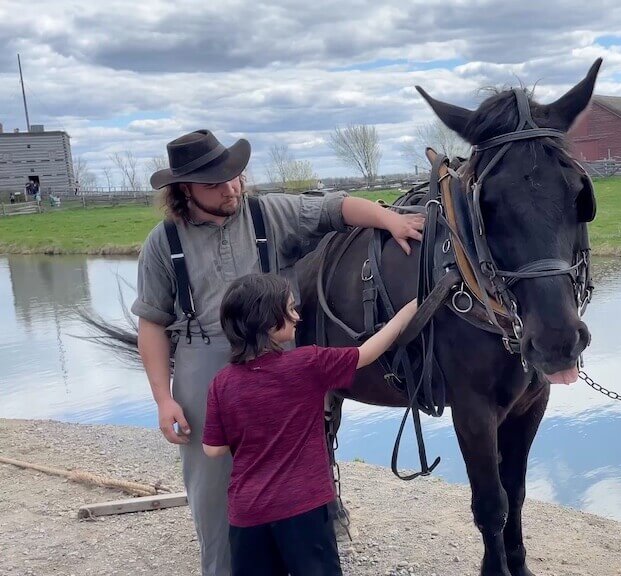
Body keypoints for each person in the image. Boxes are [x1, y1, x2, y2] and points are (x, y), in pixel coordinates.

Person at [131, 129, 424, 576]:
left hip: (278, 356)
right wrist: (163, 398)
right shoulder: (162, 242)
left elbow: (336, 208)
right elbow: (151, 322)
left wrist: (389, 220)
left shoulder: (269, 213)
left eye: (234, 177)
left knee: (296, 471)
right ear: (184, 190)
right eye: (215, 183)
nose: (231, 188)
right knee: (213, 490)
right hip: (202, 356)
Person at [202, 273, 417, 576]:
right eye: (288, 309)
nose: (297, 316)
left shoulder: (221, 383)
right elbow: (367, 352)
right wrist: (409, 310)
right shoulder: (307, 364)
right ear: (267, 321)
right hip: (303, 507)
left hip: (247, 512)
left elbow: (213, 449)